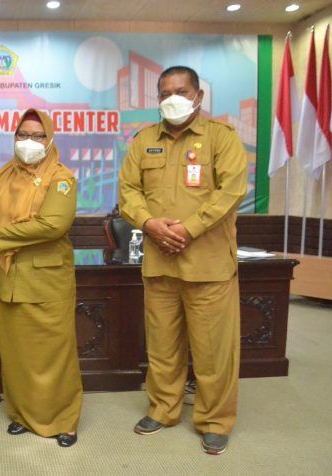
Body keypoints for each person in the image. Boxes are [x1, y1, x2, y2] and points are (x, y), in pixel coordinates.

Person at [118, 66, 248, 455]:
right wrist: (149, 223)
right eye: (164, 93)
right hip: (160, 264)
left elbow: (230, 192)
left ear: (198, 96)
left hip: (208, 266)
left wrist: (188, 229)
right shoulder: (144, 141)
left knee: (213, 351)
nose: (172, 98)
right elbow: (128, 191)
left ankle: (215, 420)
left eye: (181, 91)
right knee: (162, 348)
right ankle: (163, 408)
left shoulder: (222, 138)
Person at [0, 109, 82, 448]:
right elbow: (2, 215)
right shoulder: (7, 173)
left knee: (53, 354)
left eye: (37, 135)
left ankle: (63, 421)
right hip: (8, 277)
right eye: (22, 135)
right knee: (16, 354)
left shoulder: (61, 178)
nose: (28, 141)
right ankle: (22, 414)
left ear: (49, 139)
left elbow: (52, 225)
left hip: (45, 280)